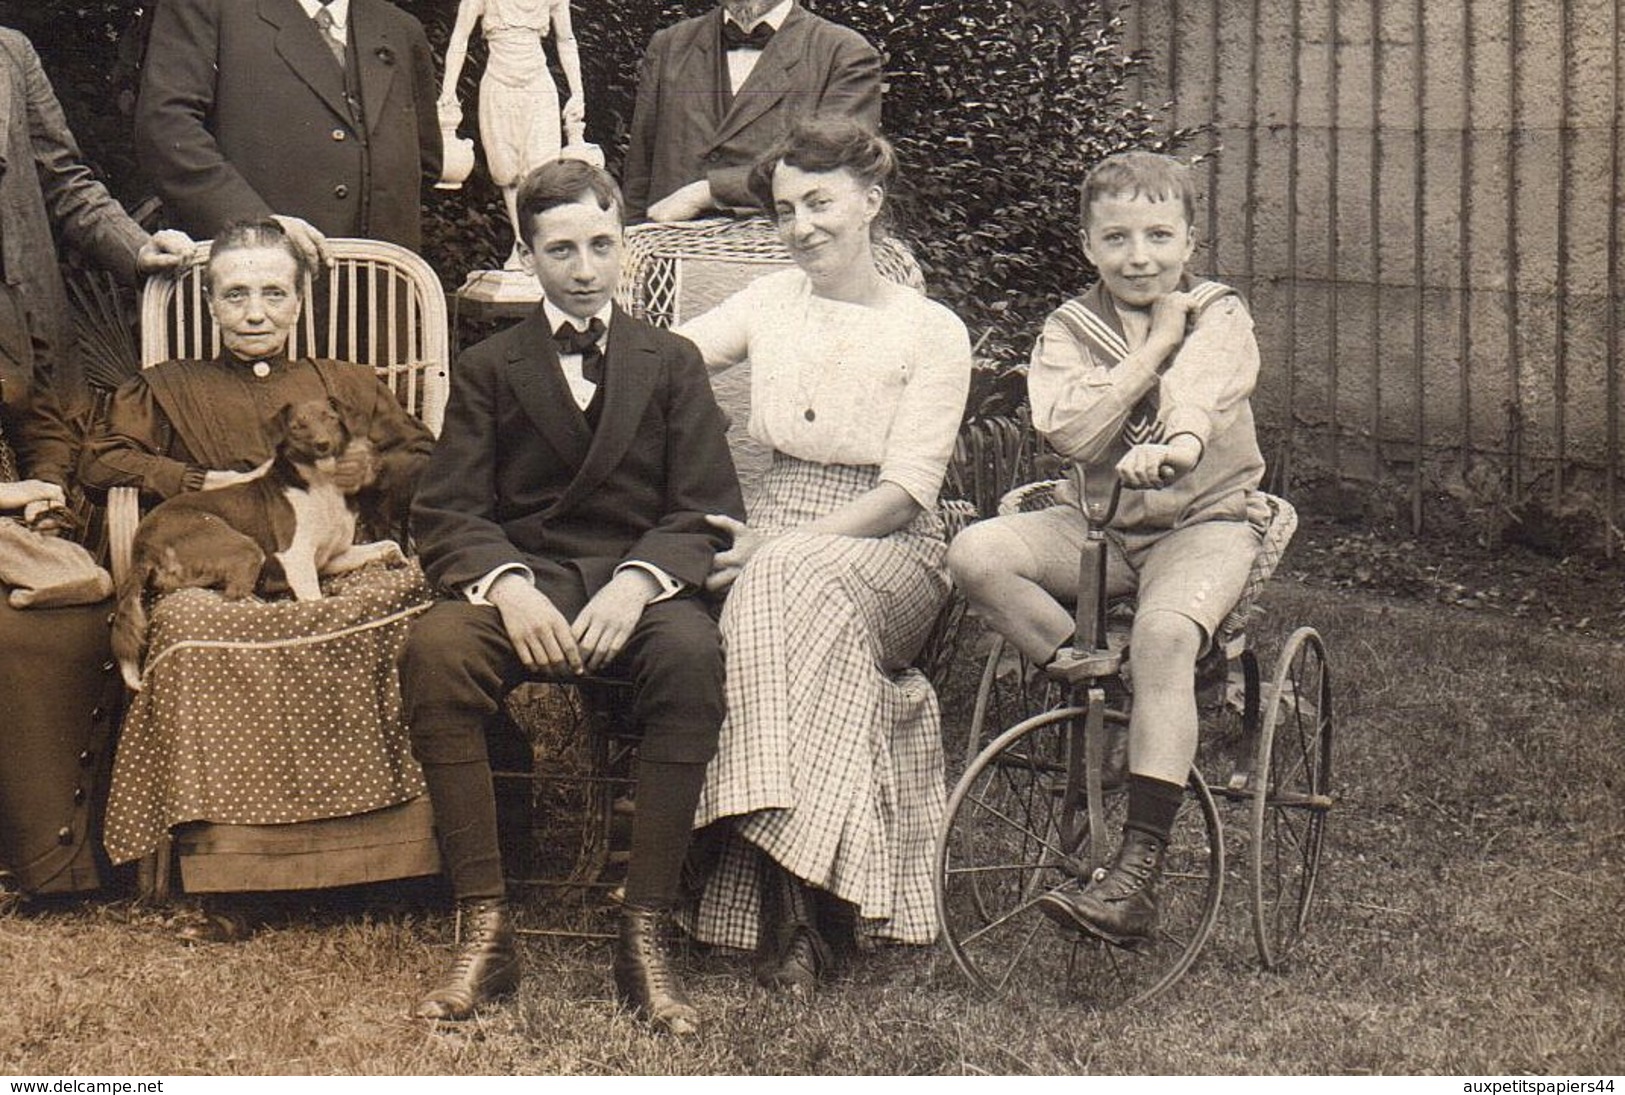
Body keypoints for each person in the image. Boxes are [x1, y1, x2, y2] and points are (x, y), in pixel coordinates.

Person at [400, 159, 743, 1033]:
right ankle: (485, 926)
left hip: (638, 584)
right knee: (436, 651)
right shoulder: (488, 366)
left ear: (623, 243)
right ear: (527, 253)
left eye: (601, 244)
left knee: (692, 656)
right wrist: (507, 587)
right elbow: (448, 510)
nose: (585, 268)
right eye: (561, 249)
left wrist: (637, 583)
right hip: (528, 581)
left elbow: (703, 507)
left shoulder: (672, 361)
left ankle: (644, 929)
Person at [675, 118, 972, 989]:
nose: (800, 226)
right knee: (789, 595)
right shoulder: (770, 302)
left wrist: (780, 544)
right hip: (778, 515)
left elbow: (907, 491)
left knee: (780, 575)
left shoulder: (931, 329)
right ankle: (804, 915)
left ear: (870, 203)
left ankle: (775, 898)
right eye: (783, 209)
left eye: (819, 203)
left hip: (890, 545)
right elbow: (662, 358)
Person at [79, 219, 438, 937]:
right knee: (191, 624)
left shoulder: (343, 384)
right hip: (225, 579)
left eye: (273, 293)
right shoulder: (166, 387)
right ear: (210, 305)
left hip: (337, 561)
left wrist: (360, 468)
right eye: (234, 293)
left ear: (301, 300)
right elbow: (99, 461)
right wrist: (190, 476)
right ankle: (233, 881)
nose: (254, 311)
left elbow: (423, 454)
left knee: (404, 601)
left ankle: (391, 865)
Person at [947, 151, 1268, 945]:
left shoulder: (1216, 312)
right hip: (1095, 527)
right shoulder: (1067, 328)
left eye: (1159, 235)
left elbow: (1202, 389)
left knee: (1163, 632)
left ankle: (1135, 872)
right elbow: (1069, 429)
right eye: (1116, 237)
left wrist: (1179, 444)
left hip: (1204, 524)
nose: (1139, 257)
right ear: (1087, 245)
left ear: (1189, 240)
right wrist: (1147, 350)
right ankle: (1094, 673)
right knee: (974, 554)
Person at [0, 25, 194, 896]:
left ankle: (59, 858)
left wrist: (134, 245)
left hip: (30, 357)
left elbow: (62, 178)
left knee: (66, 597)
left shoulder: (9, 53)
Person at [134, 0, 441, 252]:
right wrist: (256, 226)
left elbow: (424, 162)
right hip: (253, 292)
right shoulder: (207, 8)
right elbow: (167, 130)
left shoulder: (400, 29)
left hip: (381, 295)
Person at [623, 0, 882, 223]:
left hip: (782, 257)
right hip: (668, 261)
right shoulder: (668, 46)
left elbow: (834, 169)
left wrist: (710, 192)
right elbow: (638, 176)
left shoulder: (845, 54)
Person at [439, 0, 586, 270]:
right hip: (499, 83)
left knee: (542, 172)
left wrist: (578, 92)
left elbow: (566, 39)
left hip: (537, 85)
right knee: (507, 170)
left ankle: (540, 246)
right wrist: (448, 90)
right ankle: (522, 246)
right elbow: (459, 37)